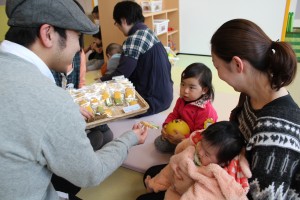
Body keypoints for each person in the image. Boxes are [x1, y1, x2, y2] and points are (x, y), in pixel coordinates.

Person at [0, 1, 148, 200]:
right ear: (48, 34)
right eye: (78, 36)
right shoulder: (52, 101)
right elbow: (92, 173)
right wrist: (130, 138)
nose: (79, 47)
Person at [210, 19, 300, 199]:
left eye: (217, 67)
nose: (218, 75)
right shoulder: (252, 92)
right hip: (234, 176)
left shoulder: (276, 131)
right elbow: (237, 133)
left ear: (237, 64)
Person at [137, 121, 251, 200]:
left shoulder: (215, 177)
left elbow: (196, 196)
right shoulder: (198, 145)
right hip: (176, 181)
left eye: (206, 154)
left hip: (183, 194)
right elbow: (176, 159)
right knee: (150, 173)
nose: (200, 152)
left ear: (221, 163)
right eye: (201, 144)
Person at [100, 1, 173, 116]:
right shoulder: (148, 32)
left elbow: (121, 75)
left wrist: (102, 80)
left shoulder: (134, 39)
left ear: (123, 20)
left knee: (106, 104)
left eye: (116, 23)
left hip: (149, 103)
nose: (117, 27)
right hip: (166, 97)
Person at [154, 63, 218, 153]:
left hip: (197, 140)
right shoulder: (181, 100)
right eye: (183, 84)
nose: (185, 91)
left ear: (204, 90)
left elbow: (201, 134)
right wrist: (166, 125)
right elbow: (174, 115)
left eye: (191, 87)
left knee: (196, 153)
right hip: (181, 132)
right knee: (159, 144)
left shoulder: (206, 111)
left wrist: (184, 138)